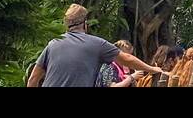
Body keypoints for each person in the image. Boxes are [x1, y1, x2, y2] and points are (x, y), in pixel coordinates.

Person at [26, 5, 163, 88]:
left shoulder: (53, 43)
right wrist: (152, 69)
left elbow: (33, 79)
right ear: (85, 24)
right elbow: (126, 58)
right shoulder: (97, 44)